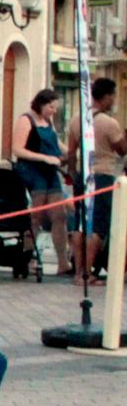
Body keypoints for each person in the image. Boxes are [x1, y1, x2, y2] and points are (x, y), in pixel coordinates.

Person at [10, 88, 70, 274]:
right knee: (35, 217)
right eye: (51, 107)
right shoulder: (26, 120)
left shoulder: (48, 122)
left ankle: (62, 261)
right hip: (33, 171)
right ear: (42, 104)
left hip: (50, 172)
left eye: (55, 107)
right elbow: (17, 149)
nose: (54, 111)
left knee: (59, 215)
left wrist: (72, 153)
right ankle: (27, 257)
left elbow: (58, 145)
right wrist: (43, 158)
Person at [89, 78, 126, 275]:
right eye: (113, 95)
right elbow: (122, 150)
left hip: (84, 175)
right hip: (104, 174)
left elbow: (70, 153)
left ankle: (82, 270)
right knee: (102, 224)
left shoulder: (80, 118)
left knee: (83, 223)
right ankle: (91, 269)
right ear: (107, 96)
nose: (114, 100)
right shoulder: (110, 123)